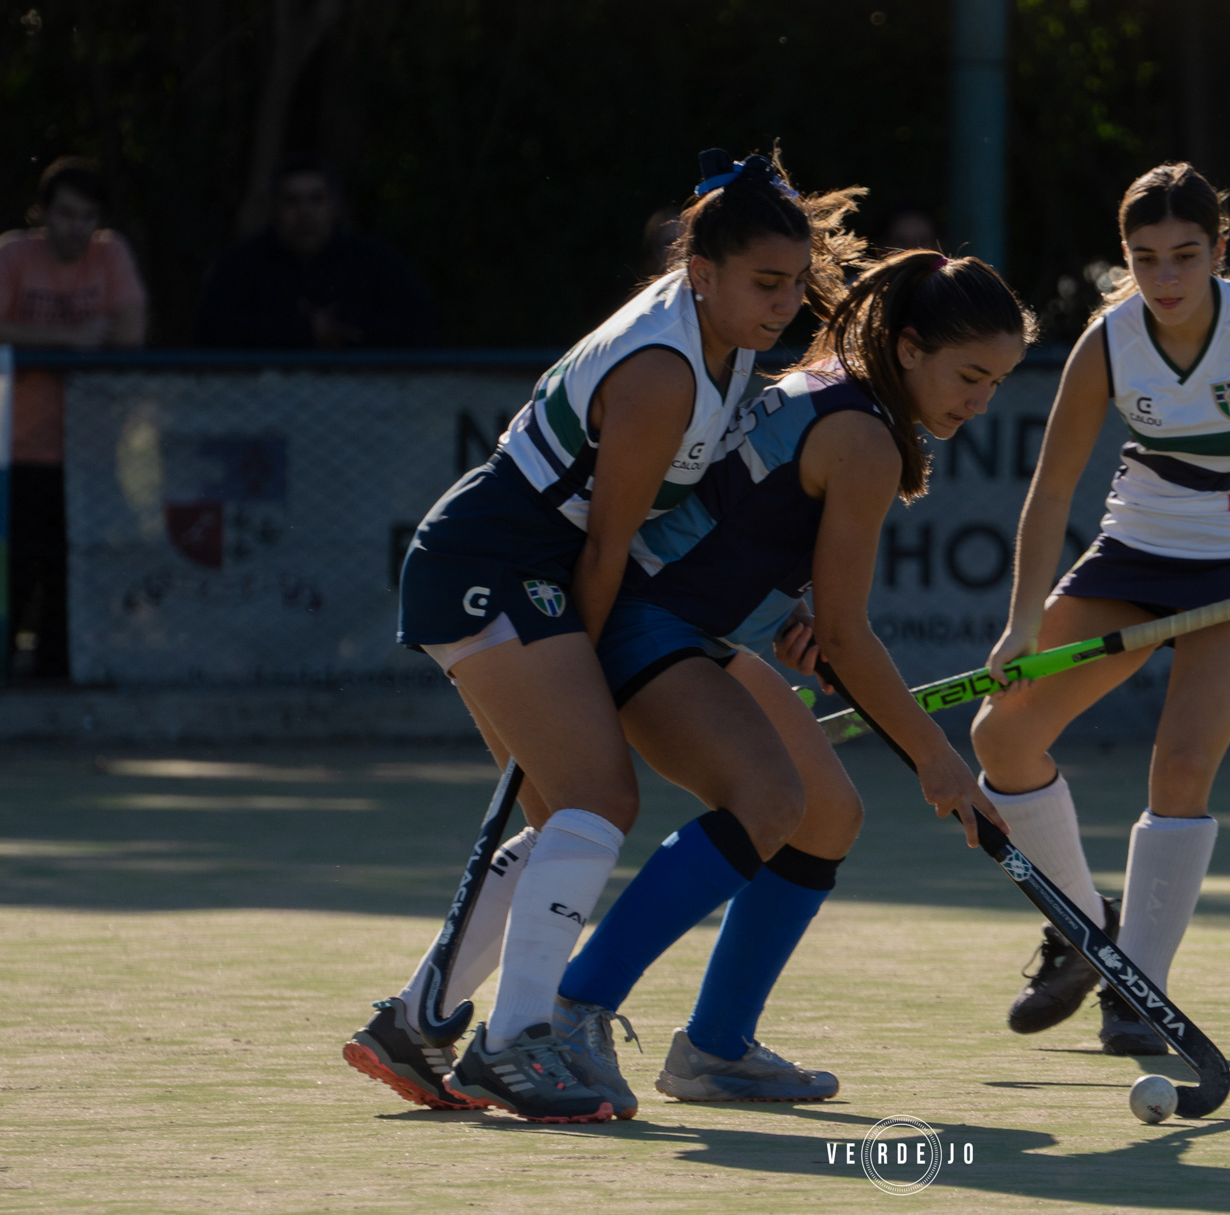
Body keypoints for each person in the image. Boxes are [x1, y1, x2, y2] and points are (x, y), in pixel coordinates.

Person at [341, 149, 862, 1123]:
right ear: (699, 272)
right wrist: (589, 674)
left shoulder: (728, 333)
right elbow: (607, 547)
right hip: (496, 564)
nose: (787, 303)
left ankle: (417, 1021)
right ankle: (513, 1043)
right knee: (596, 793)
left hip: (522, 566)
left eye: (796, 283)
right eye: (766, 282)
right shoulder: (663, 368)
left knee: (559, 816)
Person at [547, 249, 1033, 1114]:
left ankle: (717, 1049)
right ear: (911, 347)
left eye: (996, 382)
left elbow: (768, 546)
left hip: (690, 625)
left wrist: (796, 609)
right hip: (642, 620)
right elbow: (846, 637)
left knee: (827, 813)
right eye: (969, 375)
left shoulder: (837, 384)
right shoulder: (866, 438)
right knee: (768, 801)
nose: (980, 401)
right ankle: (568, 1013)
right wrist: (938, 759)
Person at [969, 162, 1230, 1055]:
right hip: (1133, 553)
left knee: (1181, 761)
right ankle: (1086, 929)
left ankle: (1140, 988)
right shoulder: (1108, 340)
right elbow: (1050, 495)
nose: (1164, 280)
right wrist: (1019, 622)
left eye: (1184, 256)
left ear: (1217, 250)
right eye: (1144, 258)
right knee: (999, 738)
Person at [0, 156, 147, 678]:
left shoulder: (111, 255)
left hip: (87, 450)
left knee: (71, 567)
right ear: (42, 212)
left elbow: (130, 329)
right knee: (14, 566)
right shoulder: (12, 255)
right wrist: (68, 339)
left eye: (87, 215)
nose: (76, 226)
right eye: (65, 213)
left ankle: (58, 673)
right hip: (16, 450)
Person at [193, 155, 435, 348]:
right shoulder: (240, 266)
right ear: (273, 208)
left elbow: (420, 325)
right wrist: (302, 332)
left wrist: (345, 330)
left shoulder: (375, 262)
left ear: (335, 206)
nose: (304, 213)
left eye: (316, 200)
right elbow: (213, 329)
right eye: (291, 201)